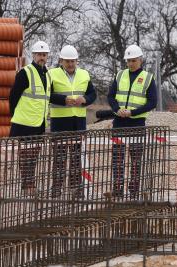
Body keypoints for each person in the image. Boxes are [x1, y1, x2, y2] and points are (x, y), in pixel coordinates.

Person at [107, 44, 157, 199]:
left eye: (133, 60)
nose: (130, 63)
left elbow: (152, 102)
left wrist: (132, 112)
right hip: (119, 122)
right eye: (128, 61)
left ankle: (134, 188)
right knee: (117, 158)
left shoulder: (148, 78)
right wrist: (117, 109)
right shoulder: (120, 75)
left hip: (137, 122)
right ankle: (118, 188)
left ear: (140, 60)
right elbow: (111, 96)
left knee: (136, 158)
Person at [47, 45, 97, 198]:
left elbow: (92, 94)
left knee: (77, 157)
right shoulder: (51, 74)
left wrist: (85, 99)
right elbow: (47, 94)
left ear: (77, 61)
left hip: (78, 122)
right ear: (61, 60)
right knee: (59, 157)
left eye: (72, 61)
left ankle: (75, 188)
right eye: (67, 61)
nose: (70, 64)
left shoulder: (84, 74)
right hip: (60, 121)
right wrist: (63, 100)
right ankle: (56, 188)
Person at [9, 40, 50, 195]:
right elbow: (13, 96)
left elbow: (48, 97)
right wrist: (15, 115)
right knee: (26, 156)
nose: (42, 57)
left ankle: (29, 183)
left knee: (34, 156)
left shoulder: (47, 75)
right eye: (39, 54)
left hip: (38, 124)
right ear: (33, 55)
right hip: (24, 123)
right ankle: (27, 185)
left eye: (44, 55)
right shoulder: (25, 73)